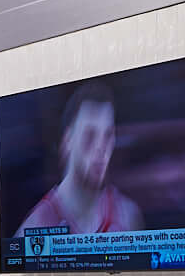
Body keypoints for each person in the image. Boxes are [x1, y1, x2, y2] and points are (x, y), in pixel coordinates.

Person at [14, 80, 141, 237]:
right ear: (68, 141)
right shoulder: (35, 228)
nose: (101, 148)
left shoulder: (127, 215)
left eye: (107, 135)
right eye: (90, 135)